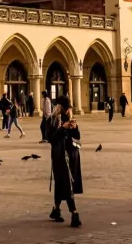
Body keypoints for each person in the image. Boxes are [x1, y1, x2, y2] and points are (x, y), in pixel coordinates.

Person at [48, 97, 82, 228]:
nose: (69, 110)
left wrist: (75, 127)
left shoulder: (69, 119)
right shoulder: (52, 120)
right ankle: (74, 213)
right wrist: (62, 128)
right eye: (67, 108)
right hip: (60, 157)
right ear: (60, 108)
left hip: (72, 156)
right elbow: (50, 138)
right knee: (67, 184)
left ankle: (56, 210)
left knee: (62, 184)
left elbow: (77, 137)